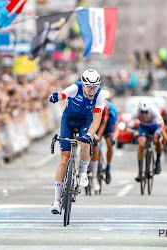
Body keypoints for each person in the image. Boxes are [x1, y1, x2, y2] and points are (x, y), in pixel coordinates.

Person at [48, 69, 105, 214]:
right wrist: (56, 97)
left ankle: (84, 172)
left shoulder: (100, 95)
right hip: (68, 121)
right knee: (64, 159)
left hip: (86, 121)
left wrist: (90, 135)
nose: (92, 90)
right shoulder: (76, 87)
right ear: (84, 84)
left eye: (95, 86)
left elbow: (97, 119)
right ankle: (56, 201)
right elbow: (63, 94)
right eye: (89, 87)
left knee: (85, 143)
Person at [126, 100, 165, 182]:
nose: (144, 115)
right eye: (142, 112)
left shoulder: (154, 110)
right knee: (141, 145)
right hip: (143, 128)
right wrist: (133, 132)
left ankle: (158, 161)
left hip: (155, 127)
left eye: (146, 112)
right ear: (139, 111)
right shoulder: (135, 112)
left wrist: (158, 132)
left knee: (157, 141)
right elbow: (128, 129)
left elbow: (162, 126)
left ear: (149, 111)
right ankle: (140, 172)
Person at [90, 97, 119, 190]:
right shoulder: (90, 106)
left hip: (107, 123)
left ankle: (108, 168)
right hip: (94, 122)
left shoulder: (111, 109)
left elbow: (116, 128)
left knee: (109, 143)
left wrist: (113, 138)